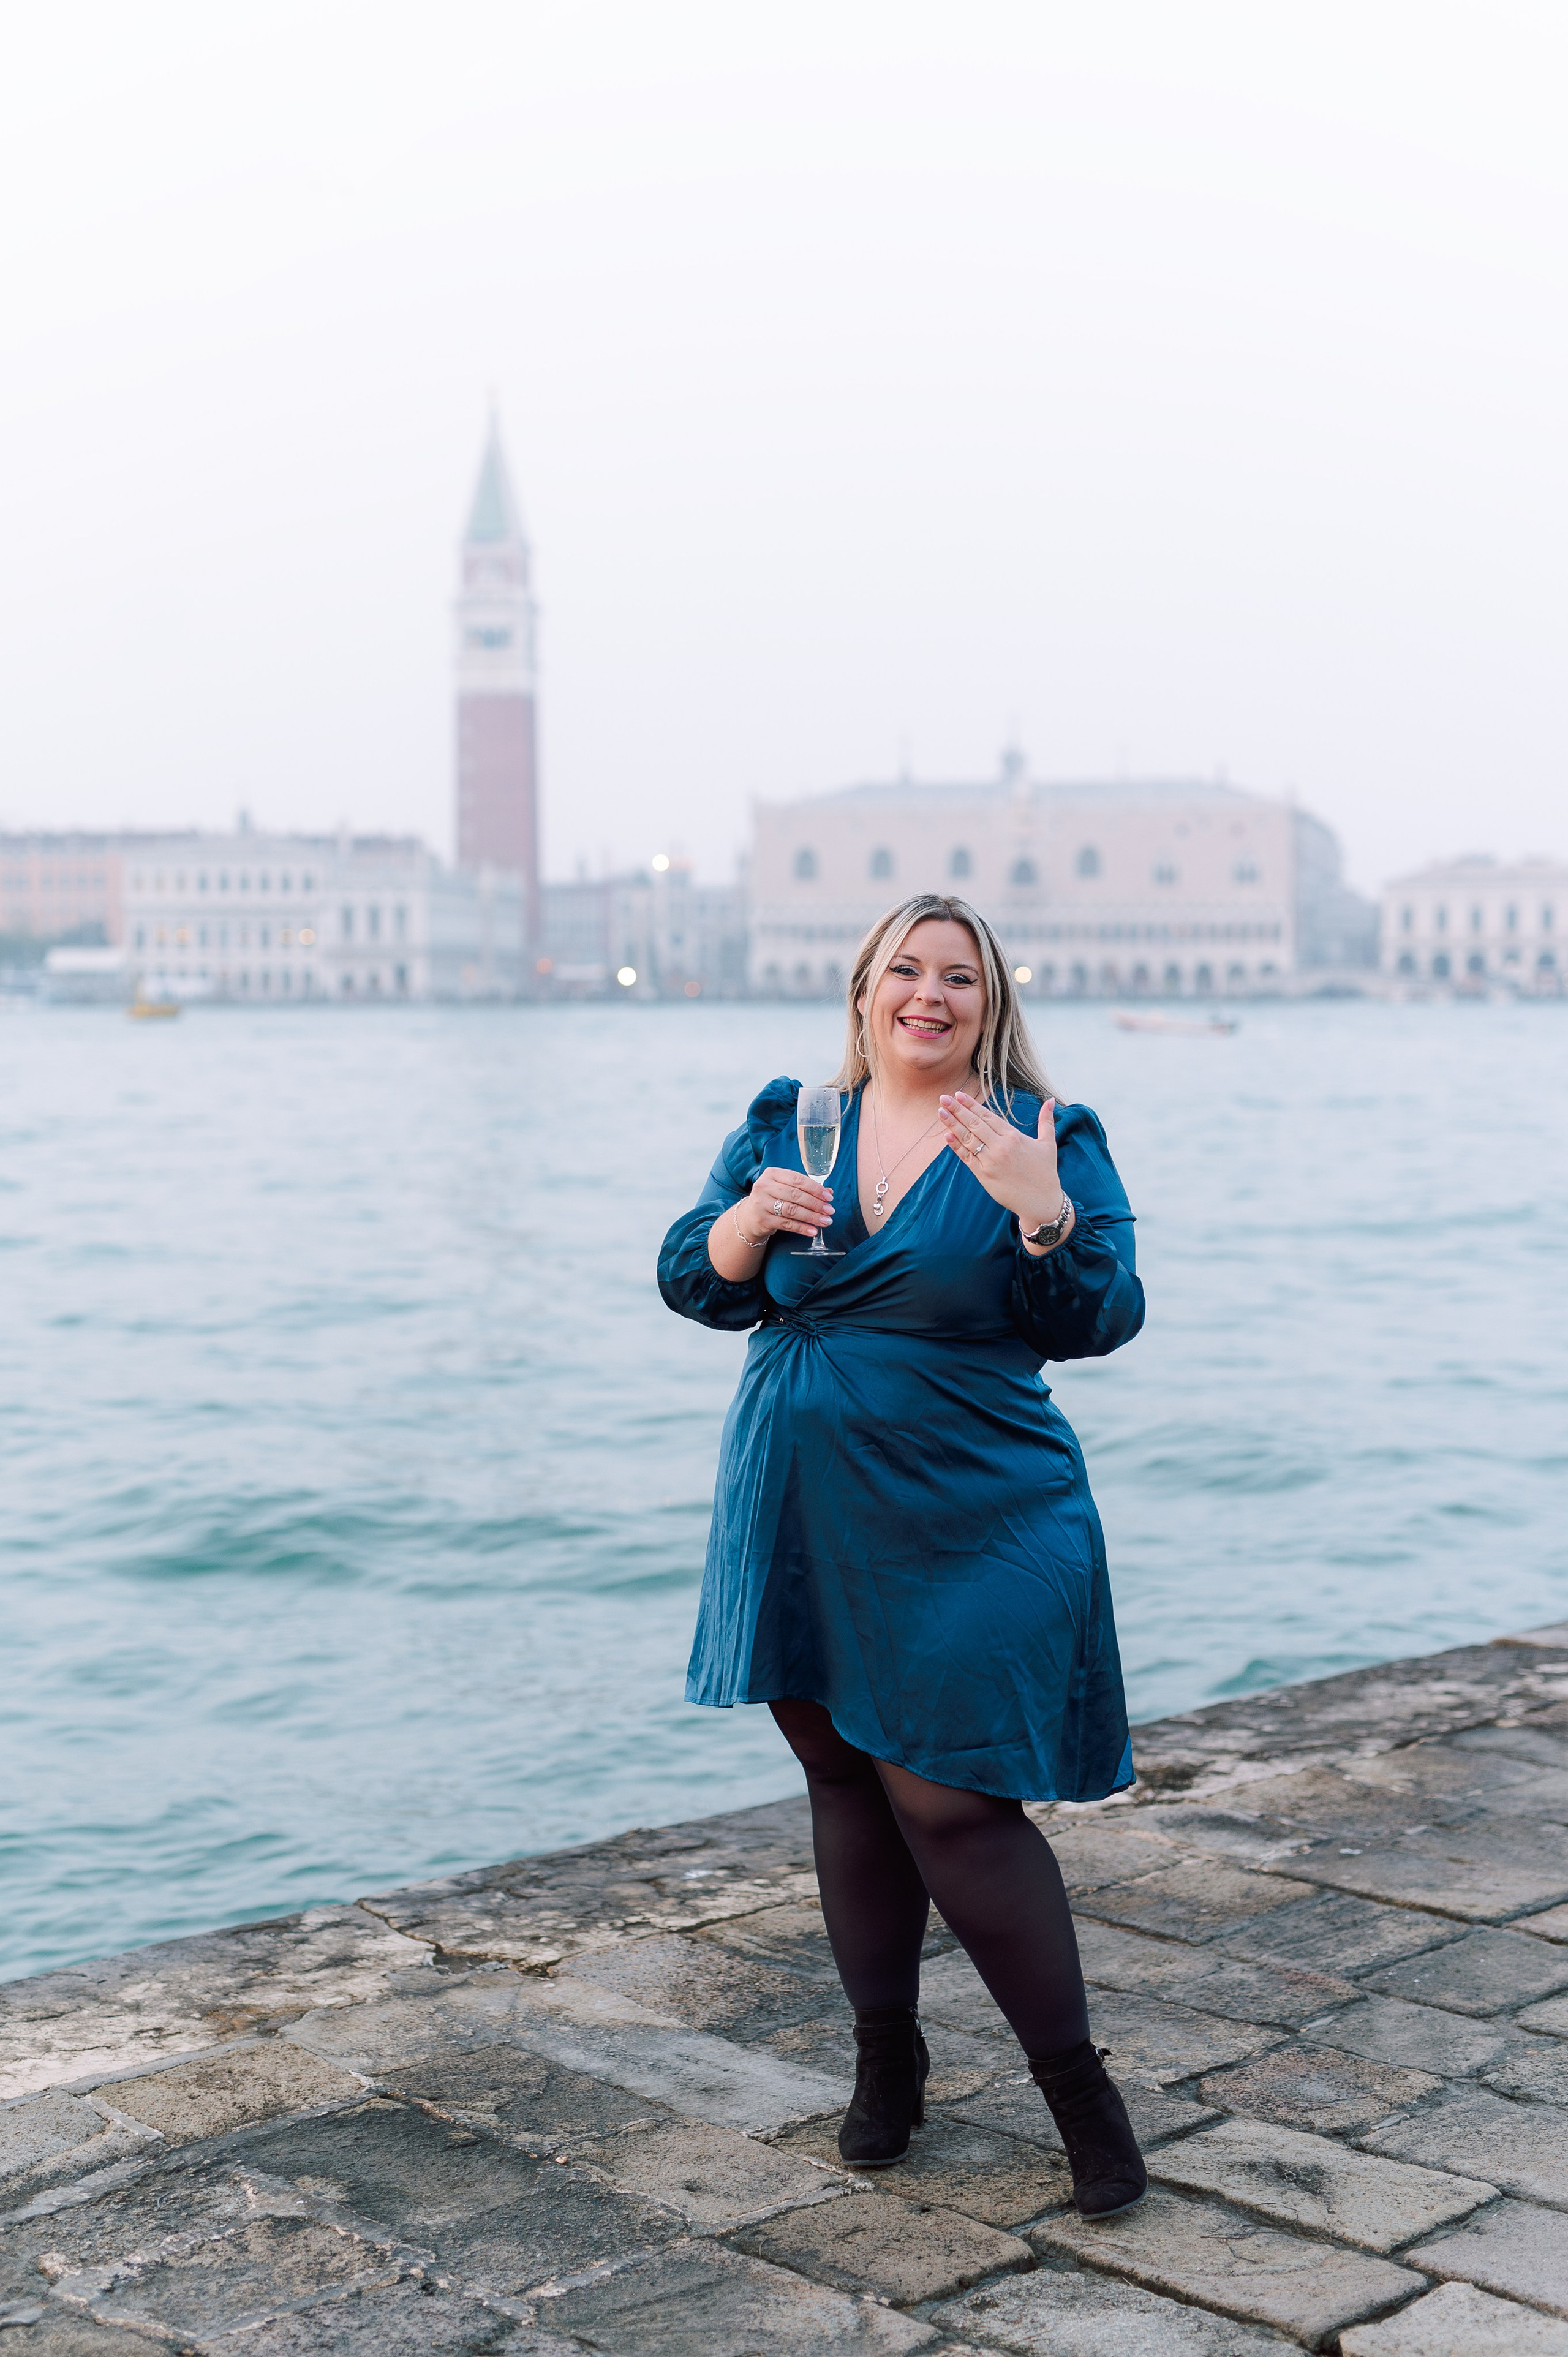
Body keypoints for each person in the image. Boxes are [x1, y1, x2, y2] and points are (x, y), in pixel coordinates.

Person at [657, 894, 1147, 2218]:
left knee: (947, 1799)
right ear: (863, 987)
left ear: (991, 1005)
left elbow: (1100, 1315)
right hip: (801, 1497)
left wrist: (1040, 1210)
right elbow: (693, 1282)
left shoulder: (1043, 1134)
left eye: (959, 979)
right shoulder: (785, 1120)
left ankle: (1076, 2092)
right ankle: (888, 2059)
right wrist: (747, 1221)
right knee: (840, 1776)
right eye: (904, 971)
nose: (927, 995)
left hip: (974, 1500)